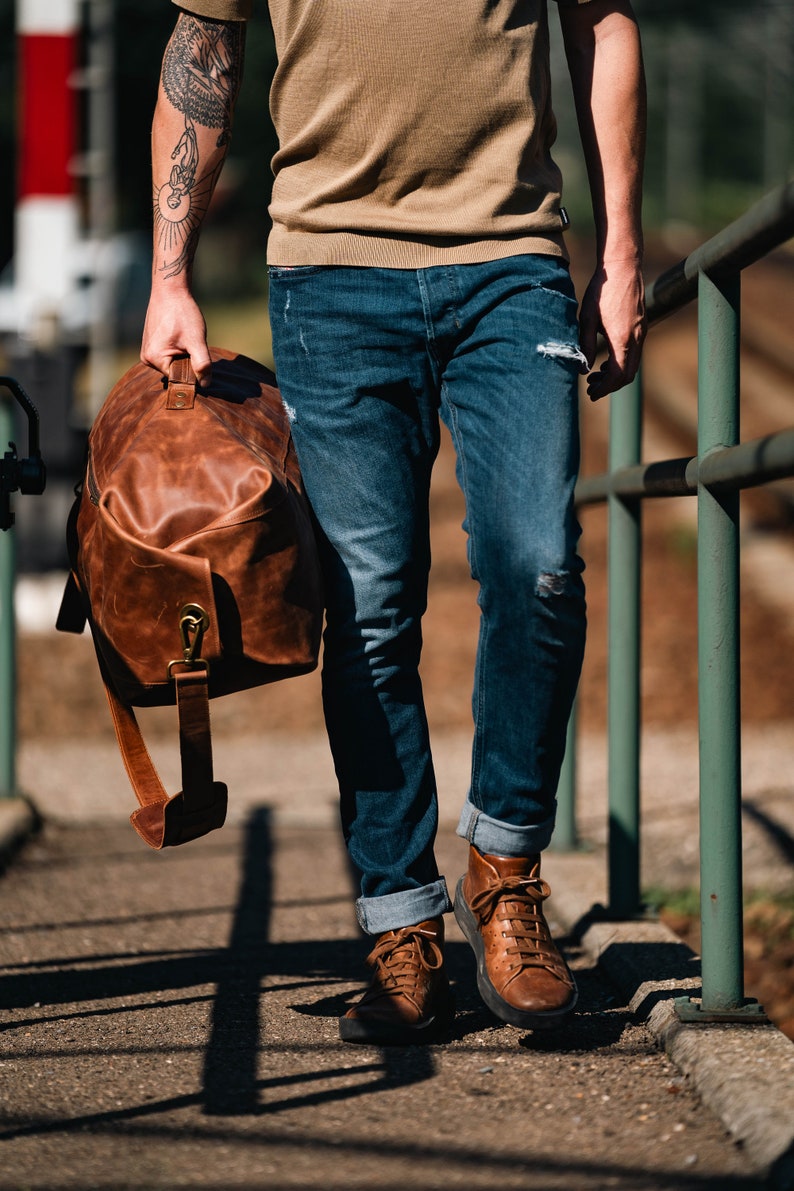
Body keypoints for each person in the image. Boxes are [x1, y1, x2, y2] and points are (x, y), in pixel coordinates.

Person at [142, 0, 646, 1045]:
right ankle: (400, 924)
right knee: (368, 608)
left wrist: (622, 251)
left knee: (538, 564)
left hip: (509, 263)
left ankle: (503, 875)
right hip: (328, 277)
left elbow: (604, 25)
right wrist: (169, 278)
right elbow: (205, 52)